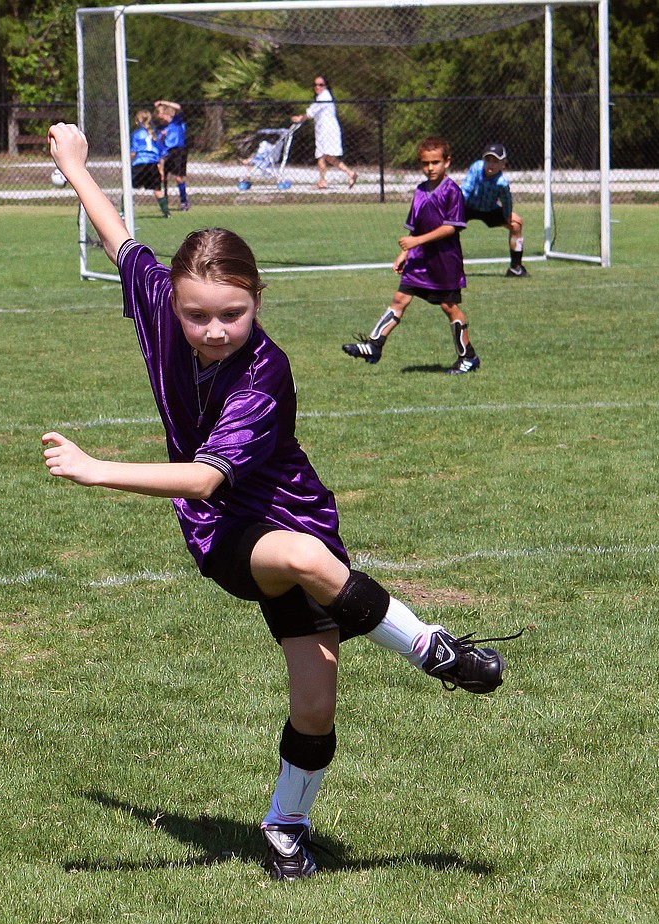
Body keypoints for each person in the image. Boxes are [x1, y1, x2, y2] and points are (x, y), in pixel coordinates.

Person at [43, 122, 517, 882]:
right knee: (301, 559)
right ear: (173, 302)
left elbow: (203, 470)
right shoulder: (161, 299)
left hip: (295, 514)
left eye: (232, 312)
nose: (213, 329)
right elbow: (119, 240)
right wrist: (74, 166)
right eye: (197, 315)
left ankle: (286, 825)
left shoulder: (266, 372)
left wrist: (97, 468)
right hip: (226, 535)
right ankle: (435, 650)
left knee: (316, 705)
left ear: (258, 298)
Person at [342, 137, 480, 375]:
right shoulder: (419, 191)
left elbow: (452, 226)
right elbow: (416, 228)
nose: (431, 168)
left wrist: (415, 242)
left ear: (447, 162)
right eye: (426, 163)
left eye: (436, 162)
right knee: (399, 299)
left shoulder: (452, 191)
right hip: (419, 260)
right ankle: (374, 345)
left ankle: (468, 357)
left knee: (449, 307)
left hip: (444, 261)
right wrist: (404, 253)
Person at [461, 143, 528, 277]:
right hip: (468, 206)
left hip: (489, 210)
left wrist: (507, 215)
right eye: (488, 160)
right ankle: (440, 266)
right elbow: (465, 190)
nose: (490, 164)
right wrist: (454, 211)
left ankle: (515, 267)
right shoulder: (476, 168)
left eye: (495, 161)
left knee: (516, 224)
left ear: (503, 164)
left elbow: (507, 201)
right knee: (444, 226)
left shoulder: (502, 183)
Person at [291, 75, 356, 190]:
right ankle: (350, 173)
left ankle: (322, 181)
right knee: (329, 157)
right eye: (315, 85)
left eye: (320, 85)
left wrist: (301, 118)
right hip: (324, 130)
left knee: (321, 155)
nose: (317, 87)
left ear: (325, 86)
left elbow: (311, 112)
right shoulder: (321, 97)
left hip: (327, 130)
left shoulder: (324, 97)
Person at [154, 99, 189, 214]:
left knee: (179, 177)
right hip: (168, 152)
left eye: (161, 116)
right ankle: (165, 202)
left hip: (179, 150)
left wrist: (162, 102)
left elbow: (178, 107)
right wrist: (162, 138)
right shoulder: (162, 129)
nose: (161, 119)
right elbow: (159, 143)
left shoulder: (176, 121)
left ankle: (184, 201)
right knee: (163, 177)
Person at [129, 109, 166, 217]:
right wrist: (160, 167)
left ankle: (123, 212)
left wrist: (129, 162)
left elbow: (134, 151)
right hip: (153, 164)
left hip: (140, 162)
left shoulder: (137, 134)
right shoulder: (154, 133)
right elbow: (161, 152)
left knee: (128, 187)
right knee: (157, 189)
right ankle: (166, 212)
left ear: (137, 121)